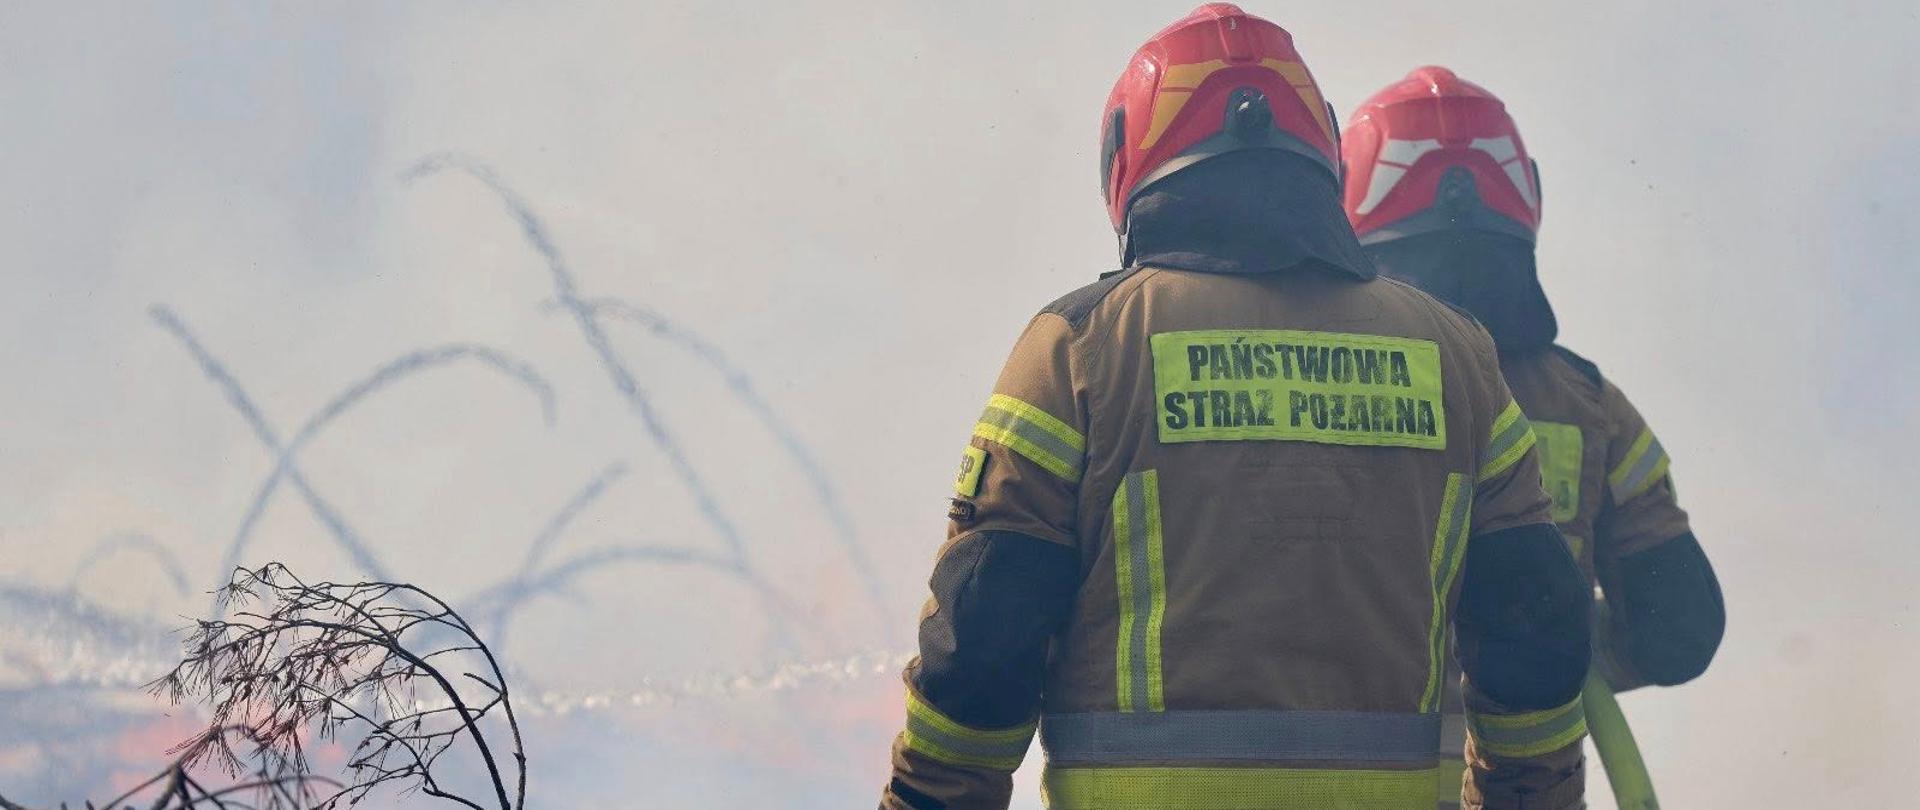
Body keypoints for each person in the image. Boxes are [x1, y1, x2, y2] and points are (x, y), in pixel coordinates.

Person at [877, 6, 1593, 809]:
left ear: (1130, 157)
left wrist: (924, 798)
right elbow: (1536, 631)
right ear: (1319, 151)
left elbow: (985, 630)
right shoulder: (1458, 355)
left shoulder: (1081, 345)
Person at [1340, 66, 1726, 809]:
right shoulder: (1591, 404)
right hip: (1526, 782)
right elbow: (1681, 624)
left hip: (1345, 776)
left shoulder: (1327, 375)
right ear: (1525, 200)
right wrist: (1553, 647)